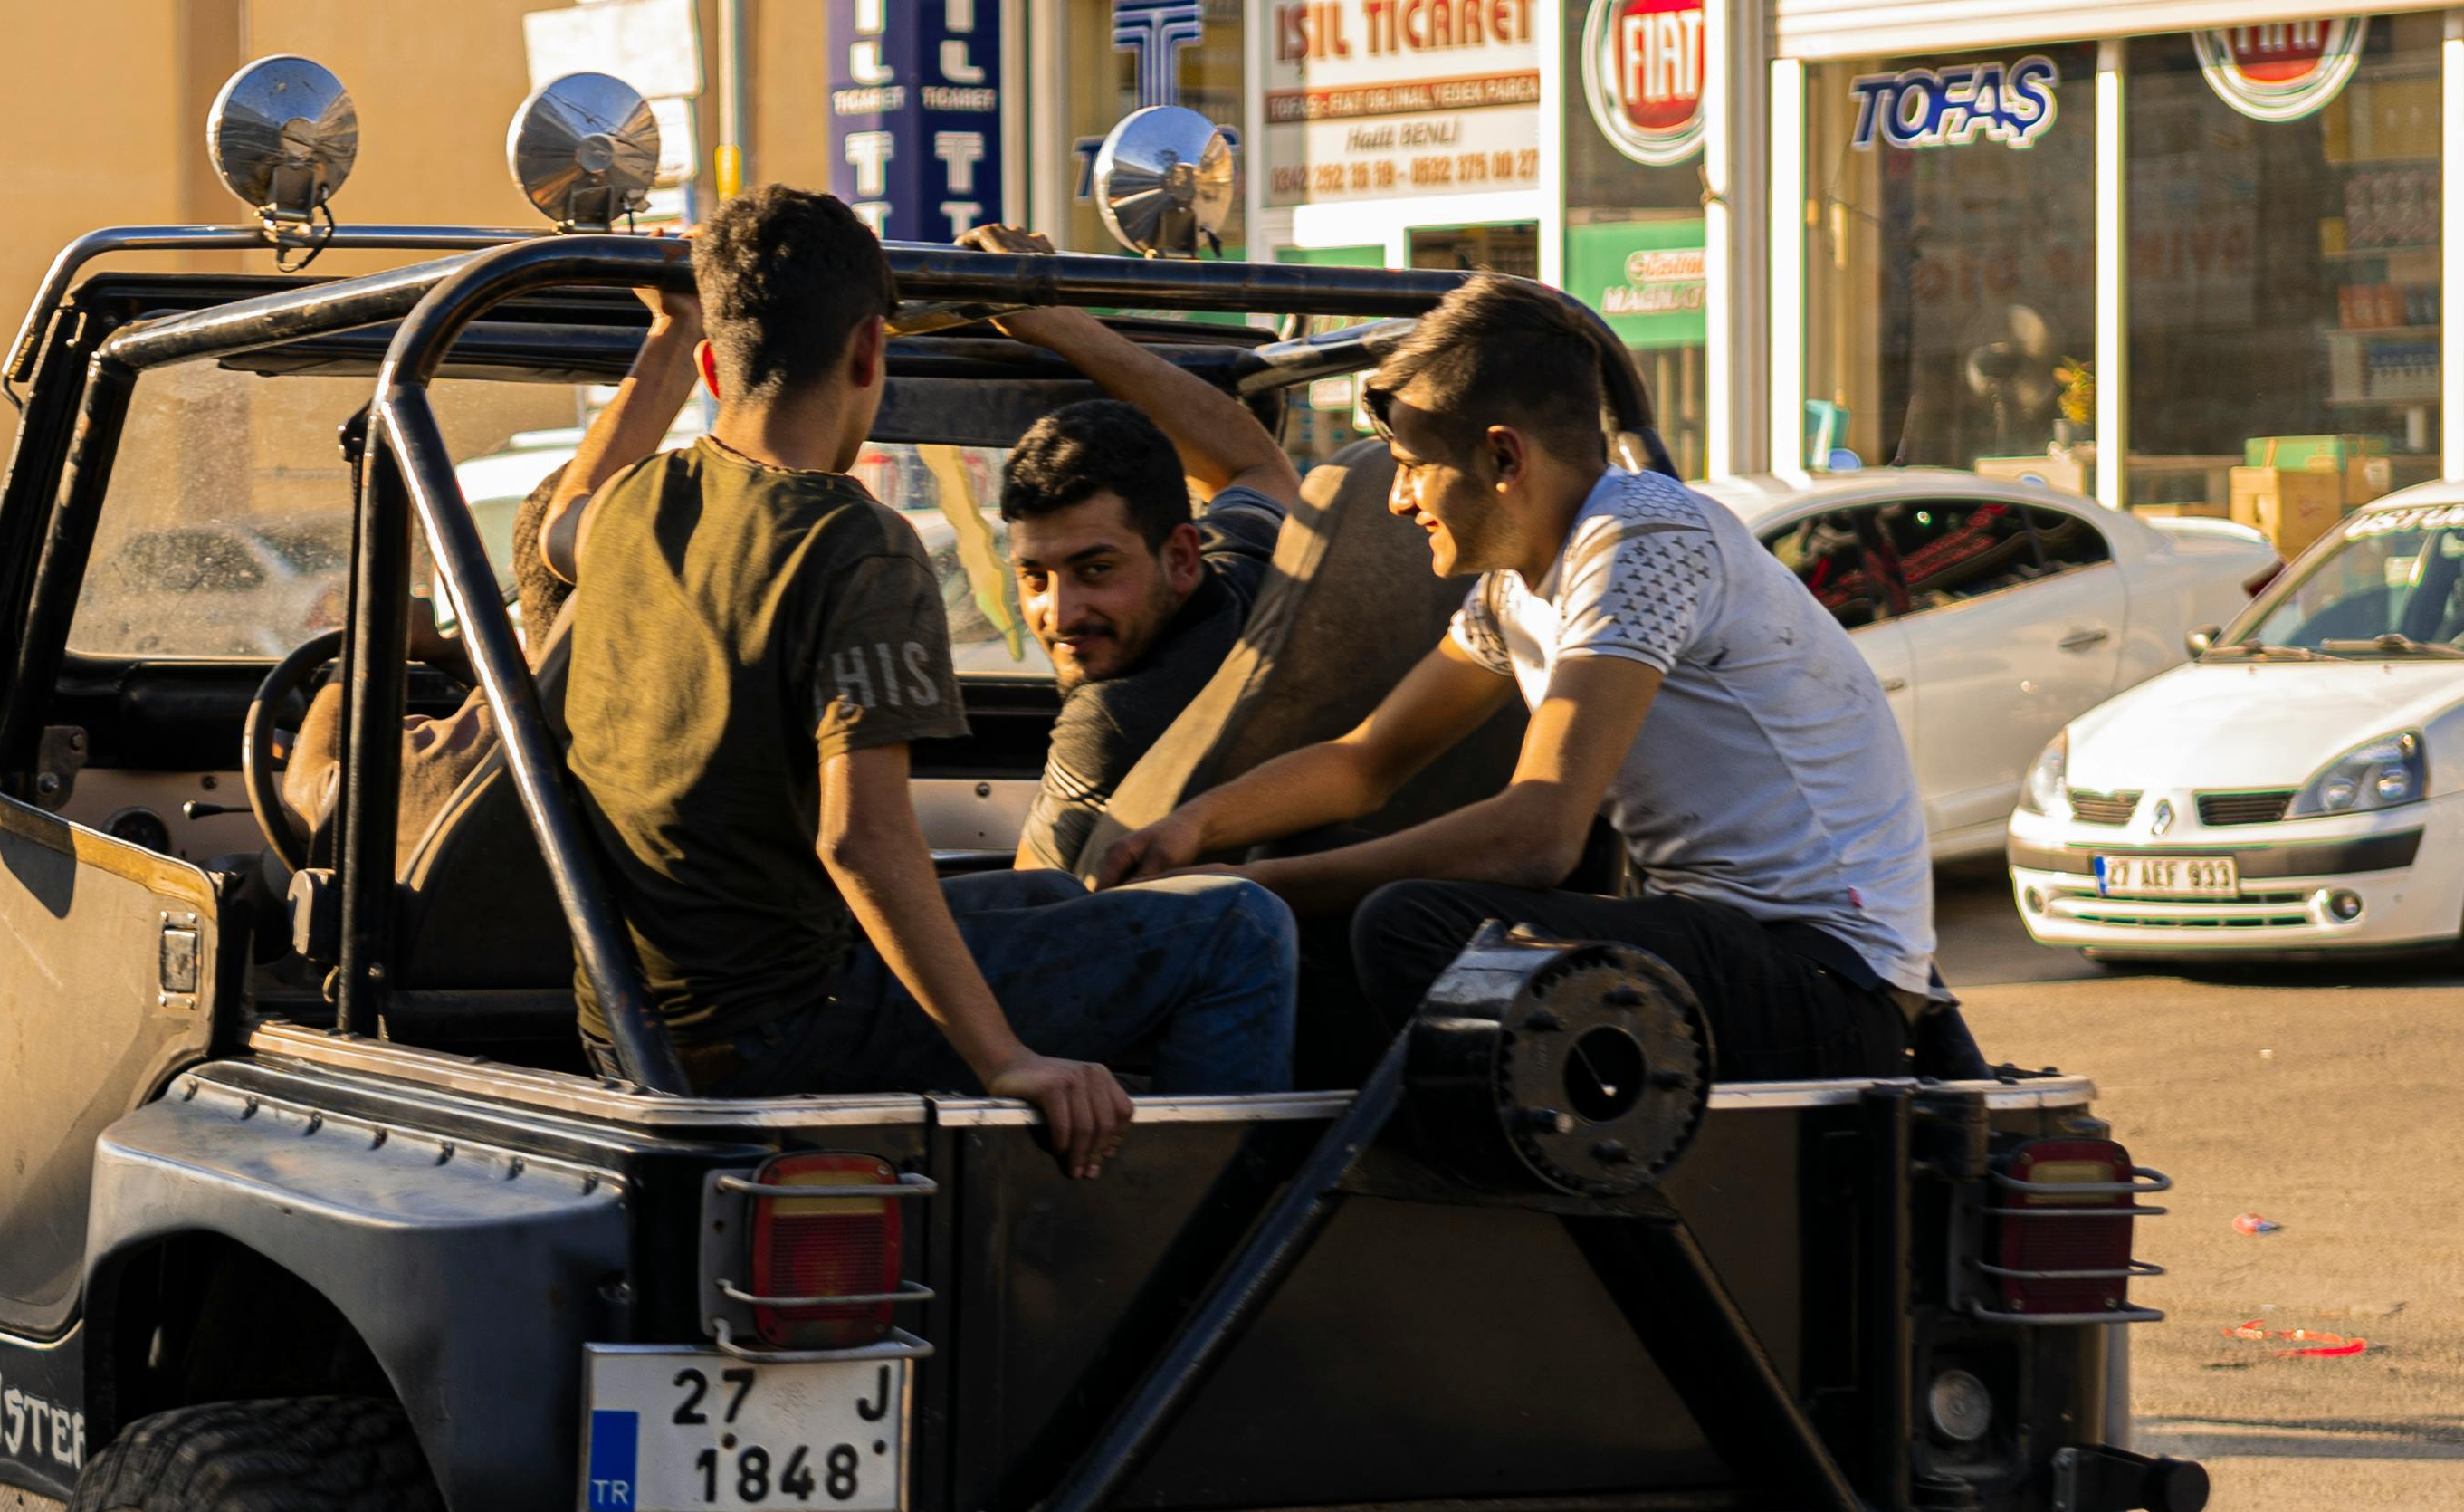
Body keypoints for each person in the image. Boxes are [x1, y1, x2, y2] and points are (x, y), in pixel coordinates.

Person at [553, 187, 1298, 1175]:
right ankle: (1184, 1244)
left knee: (1042, 908)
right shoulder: (850, 540)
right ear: (869, 350)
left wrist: (667, 331)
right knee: (1241, 930)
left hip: (630, 1023)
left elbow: (561, 518)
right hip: (776, 1031)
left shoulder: (633, 503)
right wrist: (1011, 1061)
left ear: (709, 366)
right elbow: (859, 835)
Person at [1106, 273, 1936, 1083]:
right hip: (1724, 945)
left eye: (1409, 466)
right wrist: (1193, 832)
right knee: (1324, 886)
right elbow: (1365, 763)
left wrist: (1247, 890)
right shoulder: (1513, 587)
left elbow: (1537, 836)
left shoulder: (1643, 539)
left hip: (1829, 980)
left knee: (1403, 923)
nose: (1397, 500)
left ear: (1503, 455)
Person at [280, 269, 706, 864]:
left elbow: (308, 796)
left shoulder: (473, 752)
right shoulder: (719, 720)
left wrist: (357, 660)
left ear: (532, 579)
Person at [950, 223, 1302, 872]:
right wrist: (1058, 324)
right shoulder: (1248, 579)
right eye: (1033, 577)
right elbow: (1258, 467)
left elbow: (1028, 907)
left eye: (1095, 569)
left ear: (1181, 557)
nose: (1060, 613)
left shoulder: (1108, 723)